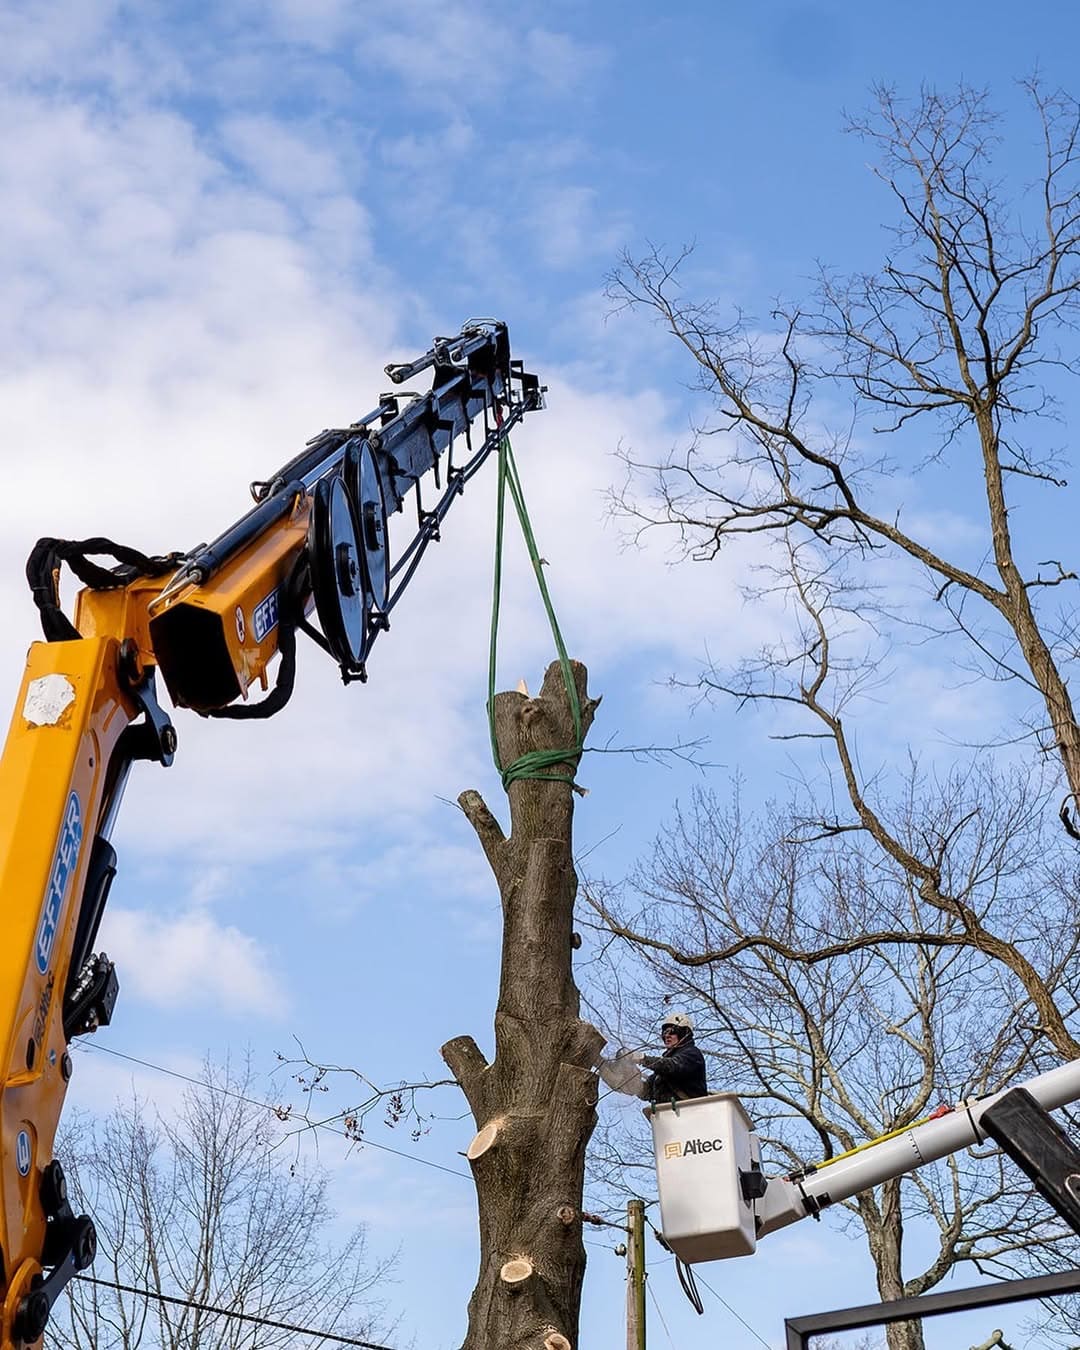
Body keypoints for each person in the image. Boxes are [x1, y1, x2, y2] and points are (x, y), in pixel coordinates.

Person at [639, 1011, 707, 1103]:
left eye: (672, 1031)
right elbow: (647, 1091)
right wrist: (629, 1082)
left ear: (684, 1033)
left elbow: (672, 1065)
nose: (667, 1036)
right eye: (664, 1033)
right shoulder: (660, 1074)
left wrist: (642, 1058)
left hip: (690, 1111)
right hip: (668, 1114)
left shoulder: (692, 1054)